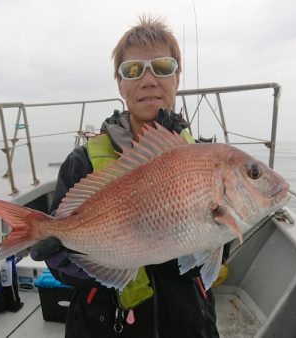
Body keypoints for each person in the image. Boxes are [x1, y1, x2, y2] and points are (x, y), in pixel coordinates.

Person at [31, 16, 220, 338]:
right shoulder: (82, 162)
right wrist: (69, 261)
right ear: (119, 83)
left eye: (162, 66)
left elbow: (216, 251)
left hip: (188, 322)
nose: (148, 80)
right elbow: (63, 261)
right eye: (133, 70)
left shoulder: (204, 159)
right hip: (105, 323)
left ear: (177, 77)